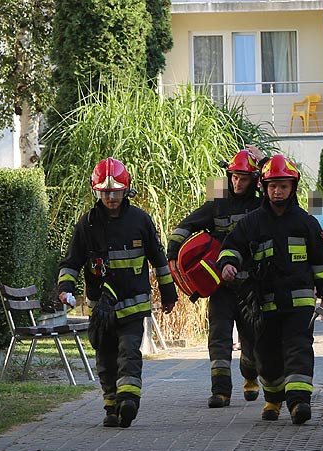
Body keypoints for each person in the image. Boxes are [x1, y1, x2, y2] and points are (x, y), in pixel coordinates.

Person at [57, 157, 177, 428]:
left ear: (126, 190)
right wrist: (65, 288)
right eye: (105, 191)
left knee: (129, 352)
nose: (111, 197)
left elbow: (158, 259)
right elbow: (71, 262)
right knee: (105, 357)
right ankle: (111, 405)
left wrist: (168, 294)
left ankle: (129, 400)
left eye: (116, 191)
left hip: (133, 304)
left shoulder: (140, 220)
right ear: (96, 191)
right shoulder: (87, 224)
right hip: (102, 307)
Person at [218, 154, 323, 425]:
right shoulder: (253, 222)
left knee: (299, 349)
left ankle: (298, 403)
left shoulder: (307, 223)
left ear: (293, 187)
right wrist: (228, 264)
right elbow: (231, 246)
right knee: (266, 357)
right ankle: (272, 399)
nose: (277, 191)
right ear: (264, 187)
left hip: (299, 302)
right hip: (264, 303)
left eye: (283, 185)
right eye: (272, 186)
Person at [167, 149, 262, 408]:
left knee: (253, 339)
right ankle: (220, 391)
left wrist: (264, 162)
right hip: (221, 285)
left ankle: (250, 373)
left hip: (252, 286)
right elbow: (185, 226)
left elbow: (289, 204)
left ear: (254, 179)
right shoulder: (217, 202)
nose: (237, 182)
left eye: (243, 178)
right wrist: (173, 254)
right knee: (218, 337)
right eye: (233, 177)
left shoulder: (261, 205)